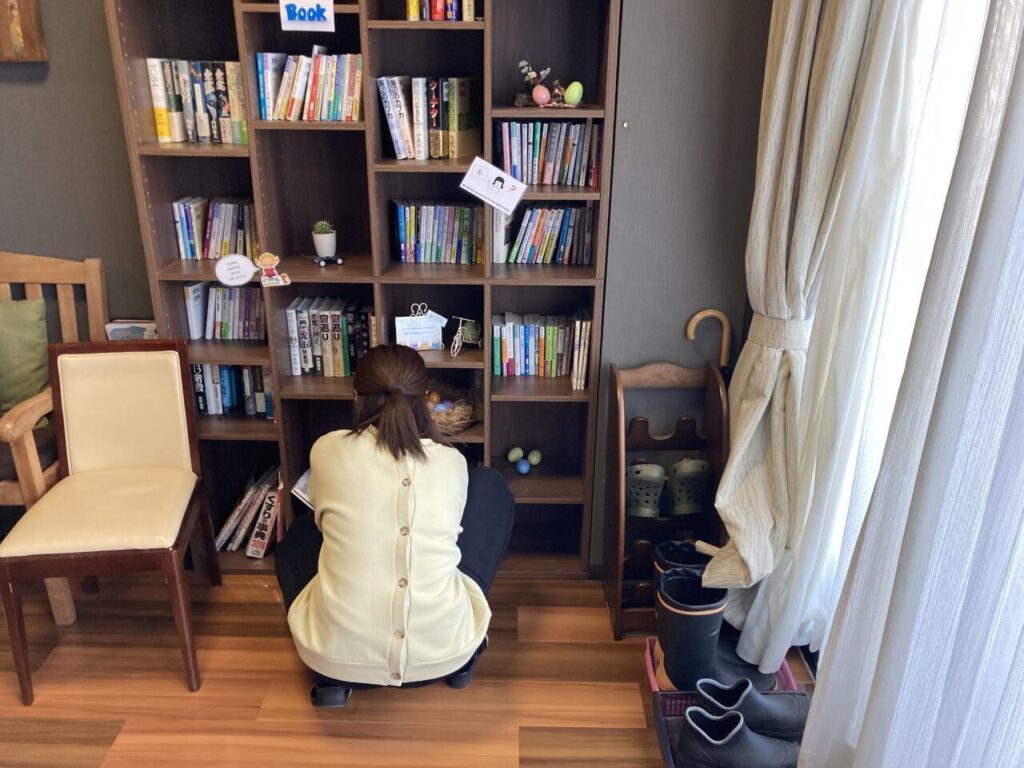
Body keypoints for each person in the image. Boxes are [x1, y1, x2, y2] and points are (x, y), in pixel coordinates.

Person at [275, 344, 515, 707]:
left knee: (299, 536)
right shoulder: (451, 462)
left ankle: (333, 683)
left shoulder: (326, 449)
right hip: (447, 653)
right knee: (489, 486)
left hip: (333, 660)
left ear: (356, 397)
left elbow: (323, 524)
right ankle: (464, 661)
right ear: (426, 399)